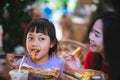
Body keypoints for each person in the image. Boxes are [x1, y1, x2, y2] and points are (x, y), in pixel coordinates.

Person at [64, 11, 120, 80]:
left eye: (97, 35)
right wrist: (78, 70)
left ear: (111, 39)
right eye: (91, 31)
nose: (90, 37)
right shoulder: (92, 55)